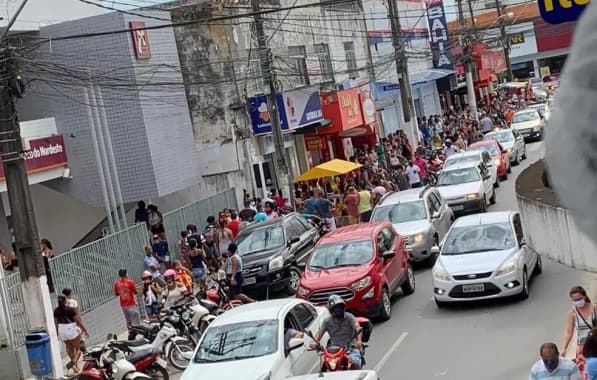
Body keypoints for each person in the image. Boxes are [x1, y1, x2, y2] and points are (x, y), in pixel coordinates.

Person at [309, 295, 363, 369]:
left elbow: (357, 328)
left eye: (340, 307)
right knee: (324, 365)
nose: (339, 310)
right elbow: (319, 333)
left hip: (350, 349)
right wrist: (314, 342)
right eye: (337, 308)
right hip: (334, 351)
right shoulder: (327, 321)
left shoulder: (349, 317)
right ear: (331, 310)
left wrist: (359, 341)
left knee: (355, 363)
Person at [562, 286, 597, 378]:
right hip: (582, 347)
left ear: (584, 296)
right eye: (574, 300)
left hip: (595, 344)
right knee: (585, 373)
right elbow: (569, 332)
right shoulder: (572, 313)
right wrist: (564, 347)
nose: (577, 301)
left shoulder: (595, 308)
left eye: (579, 298)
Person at [54, 294, 89, 373]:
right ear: (65, 300)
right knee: (78, 349)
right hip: (70, 329)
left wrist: (57, 334)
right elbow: (78, 321)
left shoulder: (56, 310)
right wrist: (85, 330)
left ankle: (75, 367)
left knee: (69, 348)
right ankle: (73, 363)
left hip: (61, 330)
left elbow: (56, 323)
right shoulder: (70, 309)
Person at [113, 268, 140, 340]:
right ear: (126, 274)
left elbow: (116, 294)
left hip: (123, 305)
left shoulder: (116, 283)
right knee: (135, 321)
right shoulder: (130, 282)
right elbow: (135, 292)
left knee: (128, 321)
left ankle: (130, 334)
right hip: (131, 304)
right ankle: (134, 335)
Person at [62, 288, 86, 353]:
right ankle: (83, 353)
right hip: (75, 324)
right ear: (70, 294)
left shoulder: (61, 304)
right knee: (79, 341)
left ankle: (73, 359)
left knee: (69, 345)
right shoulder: (73, 302)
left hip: (65, 326)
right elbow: (77, 314)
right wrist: (80, 323)